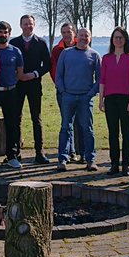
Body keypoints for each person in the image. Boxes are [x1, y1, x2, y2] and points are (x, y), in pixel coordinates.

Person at [55, 27, 100, 172]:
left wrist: (91, 93)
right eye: (81, 35)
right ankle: (62, 159)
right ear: (77, 37)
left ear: (90, 38)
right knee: (65, 128)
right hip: (68, 96)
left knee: (87, 129)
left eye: (86, 36)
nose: (83, 38)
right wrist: (63, 90)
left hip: (85, 98)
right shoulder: (66, 53)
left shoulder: (95, 55)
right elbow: (59, 75)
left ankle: (90, 159)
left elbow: (100, 79)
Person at [10, 14, 52, 164]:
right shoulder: (14, 42)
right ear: (20, 25)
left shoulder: (41, 42)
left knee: (37, 119)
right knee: (16, 119)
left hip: (34, 84)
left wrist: (34, 74)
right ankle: (15, 153)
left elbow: (47, 65)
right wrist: (18, 75)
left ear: (34, 25)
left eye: (30, 24)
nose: (28, 26)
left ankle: (39, 153)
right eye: (25, 24)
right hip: (18, 85)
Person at [98, 26, 129, 175]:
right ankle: (114, 164)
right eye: (116, 37)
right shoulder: (106, 58)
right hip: (110, 99)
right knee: (113, 132)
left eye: (121, 37)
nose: (118, 40)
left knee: (126, 132)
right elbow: (102, 80)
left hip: (127, 99)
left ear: (125, 40)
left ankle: (126, 165)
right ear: (112, 40)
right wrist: (101, 99)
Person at [0, 21, 24, 169]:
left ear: (9, 34)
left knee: (12, 125)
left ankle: (12, 156)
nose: (3, 35)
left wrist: (10, 83)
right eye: (0, 32)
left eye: (6, 32)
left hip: (11, 92)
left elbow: (19, 73)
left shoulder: (16, 51)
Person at [48, 22, 81, 160]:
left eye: (69, 32)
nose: (67, 35)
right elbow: (54, 71)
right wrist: (62, 87)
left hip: (80, 91)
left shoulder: (82, 47)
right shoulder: (57, 50)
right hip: (64, 92)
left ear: (74, 33)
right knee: (66, 122)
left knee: (81, 122)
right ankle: (70, 151)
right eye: (64, 33)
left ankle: (82, 152)